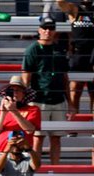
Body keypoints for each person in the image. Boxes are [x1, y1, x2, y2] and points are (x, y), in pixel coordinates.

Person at [23, 17, 72, 165]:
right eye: (45, 28)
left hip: (58, 99)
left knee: (56, 138)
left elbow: (65, 77)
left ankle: (55, 171)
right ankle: (36, 172)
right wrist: (26, 102)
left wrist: (70, 102)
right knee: (38, 137)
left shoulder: (59, 49)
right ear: (39, 30)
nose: (47, 31)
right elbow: (26, 77)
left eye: (50, 28)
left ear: (54, 31)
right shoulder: (32, 49)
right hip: (39, 100)